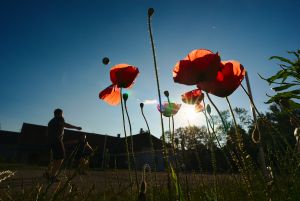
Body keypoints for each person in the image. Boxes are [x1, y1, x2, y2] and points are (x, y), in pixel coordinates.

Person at [44, 108, 82, 182]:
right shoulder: (60, 118)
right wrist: (76, 127)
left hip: (50, 141)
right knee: (60, 157)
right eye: (62, 113)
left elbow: (47, 132)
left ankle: (48, 173)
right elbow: (65, 125)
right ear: (60, 113)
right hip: (57, 140)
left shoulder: (50, 121)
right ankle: (52, 176)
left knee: (54, 158)